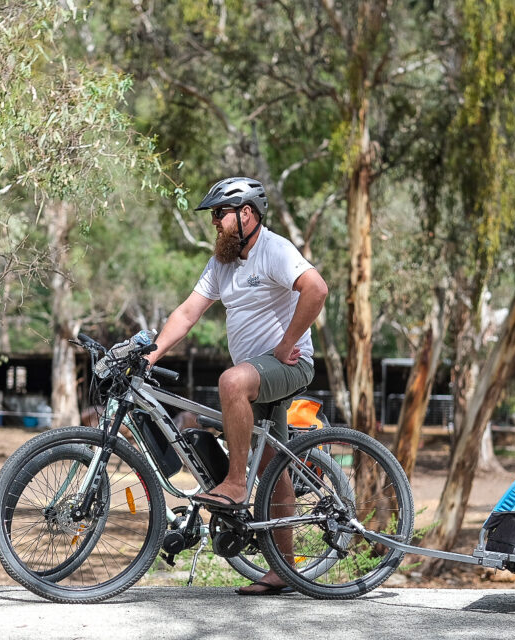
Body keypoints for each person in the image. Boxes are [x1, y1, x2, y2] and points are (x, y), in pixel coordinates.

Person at [145, 176, 328, 596]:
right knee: (274, 468)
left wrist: (286, 344)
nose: (215, 222)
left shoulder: (274, 249)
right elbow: (188, 313)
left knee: (231, 381)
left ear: (247, 214)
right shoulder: (222, 264)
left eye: (220, 214)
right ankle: (283, 567)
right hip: (258, 374)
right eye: (213, 215)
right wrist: (150, 354)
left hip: (288, 365)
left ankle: (235, 483)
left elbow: (316, 289)